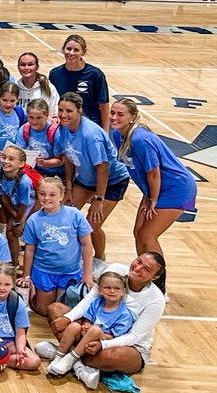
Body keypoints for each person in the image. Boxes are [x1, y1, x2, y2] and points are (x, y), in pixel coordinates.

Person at [43, 252, 168, 386]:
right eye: (138, 261)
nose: (138, 268)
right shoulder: (115, 269)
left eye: (146, 269)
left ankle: (65, 354)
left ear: (154, 277)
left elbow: (134, 336)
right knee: (56, 310)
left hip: (126, 344)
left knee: (114, 356)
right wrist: (69, 318)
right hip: (91, 329)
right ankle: (77, 363)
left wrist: (103, 345)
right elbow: (90, 299)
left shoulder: (156, 300)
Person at [109, 97, 198, 255]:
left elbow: (153, 173)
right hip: (155, 189)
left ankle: (156, 272)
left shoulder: (140, 140)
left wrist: (152, 200)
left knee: (147, 235)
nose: (114, 117)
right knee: (138, 233)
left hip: (176, 188)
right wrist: (147, 194)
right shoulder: (117, 135)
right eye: (112, 113)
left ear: (132, 118)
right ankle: (142, 270)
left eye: (120, 114)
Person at [56, 92, 129, 260]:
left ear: (79, 111)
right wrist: (68, 188)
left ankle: (99, 259)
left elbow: (102, 169)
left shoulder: (91, 135)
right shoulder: (64, 129)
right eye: (61, 110)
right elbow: (69, 157)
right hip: (86, 179)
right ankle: (67, 257)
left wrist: (98, 199)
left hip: (112, 181)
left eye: (69, 111)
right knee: (64, 216)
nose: (63, 115)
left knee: (92, 224)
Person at [20, 176, 94, 316]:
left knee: (60, 310)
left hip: (70, 272)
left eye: (52, 194)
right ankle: (33, 293)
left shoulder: (75, 215)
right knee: (44, 311)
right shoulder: (33, 220)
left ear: (61, 196)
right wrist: (26, 274)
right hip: (44, 271)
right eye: (42, 194)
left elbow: (87, 245)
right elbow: (29, 250)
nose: (47, 198)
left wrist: (87, 274)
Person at [46, 270, 135, 379]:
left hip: (103, 341)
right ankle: (58, 356)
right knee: (74, 326)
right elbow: (88, 319)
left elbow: (113, 337)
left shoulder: (124, 314)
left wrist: (94, 333)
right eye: (107, 287)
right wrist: (85, 326)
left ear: (123, 292)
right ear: (100, 290)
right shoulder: (96, 302)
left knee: (95, 330)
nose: (112, 291)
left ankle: (70, 359)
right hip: (87, 335)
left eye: (117, 288)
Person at [49, 35, 110, 129]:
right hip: (63, 126)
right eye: (68, 49)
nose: (71, 53)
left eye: (76, 50)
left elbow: (103, 106)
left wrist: (105, 132)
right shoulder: (54, 74)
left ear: (83, 52)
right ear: (63, 49)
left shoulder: (95, 75)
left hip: (89, 127)